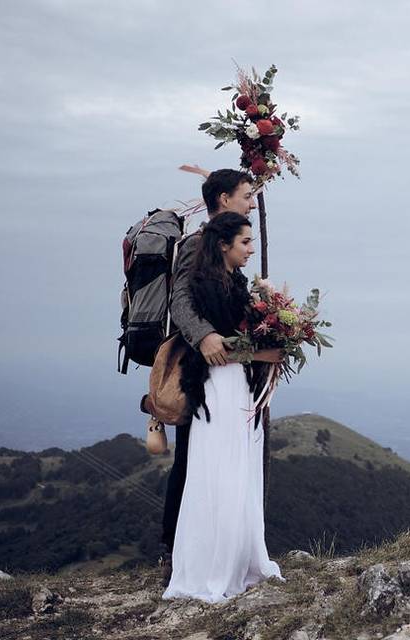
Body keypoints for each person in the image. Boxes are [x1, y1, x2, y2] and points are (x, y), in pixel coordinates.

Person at [162, 212, 284, 602]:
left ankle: (239, 559)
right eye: (245, 242)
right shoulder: (206, 285)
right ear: (223, 245)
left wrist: (269, 307)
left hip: (237, 386)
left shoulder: (233, 282)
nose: (250, 249)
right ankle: (212, 568)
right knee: (220, 469)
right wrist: (265, 348)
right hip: (221, 388)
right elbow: (220, 349)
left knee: (237, 469)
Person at [160, 169, 258, 587]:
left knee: (210, 460)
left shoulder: (225, 248)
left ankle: (224, 546)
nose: (251, 202)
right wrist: (204, 337)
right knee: (193, 461)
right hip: (201, 369)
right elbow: (180, 299)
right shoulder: (198, 244)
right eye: (247, 195)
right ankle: (177, 550)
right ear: (224, 198)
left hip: (226, 367)